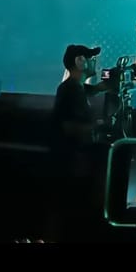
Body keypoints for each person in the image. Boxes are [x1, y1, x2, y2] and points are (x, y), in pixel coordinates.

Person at [49, 44, 111, 241]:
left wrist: (110, 83)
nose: (95, 63)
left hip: (77, 162)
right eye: (91, 58)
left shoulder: (77, 88)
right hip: (73, 163)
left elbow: (93, 90)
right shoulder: (70, 90)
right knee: (74, 213)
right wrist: (99, 126)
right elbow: (68, 127)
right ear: (79, 61)